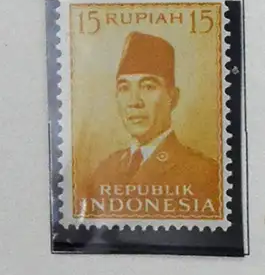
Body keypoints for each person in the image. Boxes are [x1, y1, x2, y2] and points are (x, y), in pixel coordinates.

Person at [78, 30, 220, 213]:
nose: (134, 101)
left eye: (148, 87)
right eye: (124, 88)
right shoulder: (104, 171)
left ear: (173, 97)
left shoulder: (204, 175)